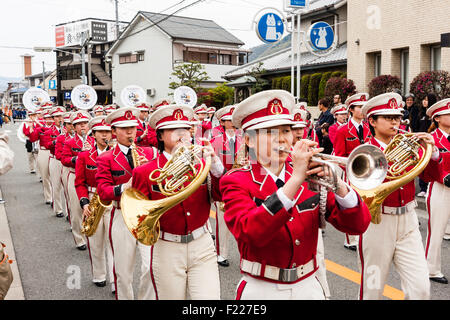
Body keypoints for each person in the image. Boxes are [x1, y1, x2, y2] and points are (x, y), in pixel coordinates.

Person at [220, 90, 371, 300]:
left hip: (309, 286)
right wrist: (296, 179)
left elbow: (357, 226)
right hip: (262, 288)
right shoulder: (235, 180)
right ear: (249, 140)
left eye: (285, 131)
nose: (281, 139)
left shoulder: (307, 176)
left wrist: (340, 186)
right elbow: (250, 233)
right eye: (270, 132)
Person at [131, 104, 223, 300]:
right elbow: (139, 216)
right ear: (161, 136)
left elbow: (220, 196)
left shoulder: (201, 164)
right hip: (166, 247)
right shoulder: (145, 171)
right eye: (174, 130)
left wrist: (215, 166)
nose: (182, 134)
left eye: (186, 129)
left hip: (202, 244)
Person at [358, 92, 438, 300]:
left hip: (409, 221)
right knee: (372, 290)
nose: (395, 122)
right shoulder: (364, 152)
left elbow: (430, 176)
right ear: (372, 121)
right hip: (378, 223)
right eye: (388, 118)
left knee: (420, 289)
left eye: (397, 117)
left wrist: (433, 152)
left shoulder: (408, 144)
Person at [96, 107, 156, 300]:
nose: (130, 132)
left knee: (151, 266)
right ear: (114, 131)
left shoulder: (148, 152)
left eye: (133, 127)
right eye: (124, 128)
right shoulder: (105, 158)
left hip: (146, 216)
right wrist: (125, 186)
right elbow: (103, 190)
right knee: (123, 272)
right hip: (121, 215)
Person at [75, 116, 114, 289]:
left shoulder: (118, 155)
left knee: (114, 243)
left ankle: (116, 280)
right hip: (92, 198)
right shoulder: (84, 155)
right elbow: (79, 182)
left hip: (112, 200)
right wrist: (84, 203)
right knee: (95, 240)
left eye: (107, 132)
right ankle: (99, 275)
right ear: (94, 134)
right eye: (101, 132)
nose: (105, 135)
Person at [334, 93, 372, 251]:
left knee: (366, 204)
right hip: (351, 172)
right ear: (351, 110)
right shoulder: (343, 130)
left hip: (368, 172)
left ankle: (365, 234)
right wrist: (351, 168)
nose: (362, 110)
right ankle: (350, 239)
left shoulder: (370, 128)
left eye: (364, 107)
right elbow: (339, 155)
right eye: (359, 107)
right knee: (351, 203)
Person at [420, 98, 450, 284]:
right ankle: (431, 269)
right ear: (437, 118)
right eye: (448, 114)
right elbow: (426, 171)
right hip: (440, 188)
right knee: (437, 230)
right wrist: (444, 175)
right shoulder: (431, 140)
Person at [210, 105, 242, 267]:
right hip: (222, 186)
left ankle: (246, 254)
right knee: (222, 223)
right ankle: (221, 254)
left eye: (234, 120)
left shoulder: (246, 140)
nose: (233, 123)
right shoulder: (214, 142)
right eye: (229, 120)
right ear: (222, 122)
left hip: (242, 186)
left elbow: (253, 162)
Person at [61, 111, 94, 250]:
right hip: (74, 174)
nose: (82, 126)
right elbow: (64, 159)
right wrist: (78, 158)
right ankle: (79, 239)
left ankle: (92, 236)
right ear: (74, 127)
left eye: (85, 124)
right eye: (79, 124)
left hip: (91, 176)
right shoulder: (69, 142)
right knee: (76, 209)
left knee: (92, 208)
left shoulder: (93, 141)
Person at [27, 110, 55, 205]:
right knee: (45, 176)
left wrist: (39, 123)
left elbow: (50, 132)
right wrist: (31, 127)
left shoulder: (56, 129)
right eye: (47, 118)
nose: (49, 120)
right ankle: (49, 197)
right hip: (43, 152)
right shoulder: (39, 129)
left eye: (50, 118)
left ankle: (55, 198)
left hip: (54, 153)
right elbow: (33, 138)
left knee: (54, 177)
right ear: (44, 119)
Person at [416, 93, 437, 197]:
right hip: (421, 143)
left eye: (427, 100)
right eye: (423, 99)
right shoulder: (421, 114)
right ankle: (423, 188)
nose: (424, 102)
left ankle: (429, 186)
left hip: (430, 143)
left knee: (431, 165)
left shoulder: (434, 116)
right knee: (422, 164)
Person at [47, 107, 66, 218]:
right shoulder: (50, 131)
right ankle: (58, 209)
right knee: (56, 185)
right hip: (55, 159)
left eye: (61, 116)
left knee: (67, 188)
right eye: (57, 117)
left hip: (66, 160)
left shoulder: (68, 129)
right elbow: (46, 144)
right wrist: (57, 140)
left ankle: (69, 212)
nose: (60, 119)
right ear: (53, 118)